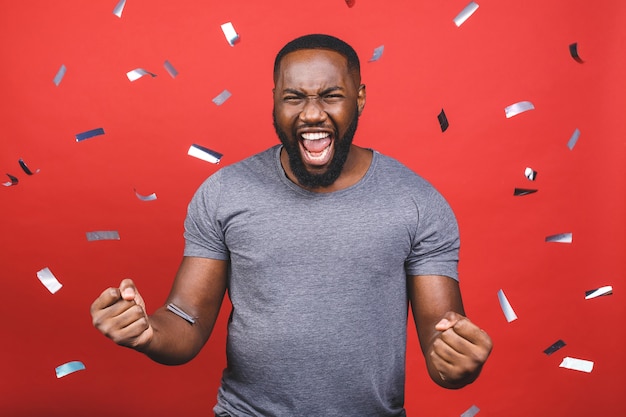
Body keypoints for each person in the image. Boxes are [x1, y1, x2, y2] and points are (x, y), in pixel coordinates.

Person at [91, 34, 493, 417]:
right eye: (294, 97)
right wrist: (147, 333)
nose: (312, 113)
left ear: (360, 98)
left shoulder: (418, 202)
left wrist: (461, 361)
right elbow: (185, 320)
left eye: (331, 96)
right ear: (274, 102)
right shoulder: (225, 192)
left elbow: (443, 344)